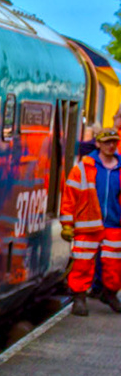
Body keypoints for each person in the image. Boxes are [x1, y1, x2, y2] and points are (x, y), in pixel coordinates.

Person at [62, 125, 121, 315]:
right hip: (88, 224)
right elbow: (70, 197)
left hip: (114, 224)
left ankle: (110, 293)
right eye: (106, 142)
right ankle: (79, 298)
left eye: (114, 142)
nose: (111, 146)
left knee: (115, 264)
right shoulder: (83, 168)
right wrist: (67, 224)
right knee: (82, 263)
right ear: (98, 144)